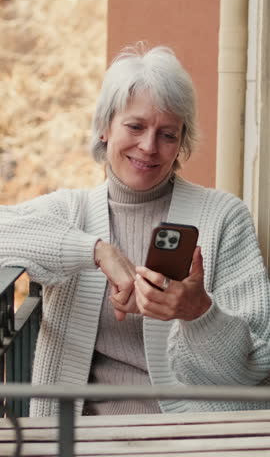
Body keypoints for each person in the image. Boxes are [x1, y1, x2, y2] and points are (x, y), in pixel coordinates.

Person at [1, 43, 270, 417]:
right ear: (105, 128)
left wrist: (199, 314)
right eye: (136, 126)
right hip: (79, 437)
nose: (149, 147)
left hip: (193, 438)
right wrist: (96, 250)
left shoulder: (223, 216)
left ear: (181, 145)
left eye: (168, 134)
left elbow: (253, 367)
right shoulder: (71, 212)